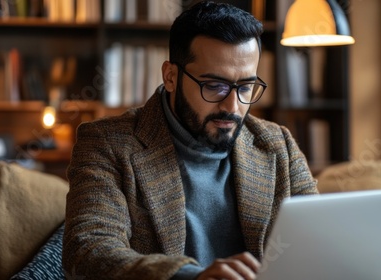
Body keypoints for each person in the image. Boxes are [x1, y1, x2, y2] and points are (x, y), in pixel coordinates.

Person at [63, 1, 318, 279]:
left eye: (245, 87)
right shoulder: (108, 143)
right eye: (214, 86)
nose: (233, 106)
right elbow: (89, 250)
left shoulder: (277, 144)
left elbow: (321, 237)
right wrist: (190, 277)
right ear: (171, 77)